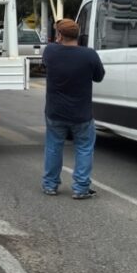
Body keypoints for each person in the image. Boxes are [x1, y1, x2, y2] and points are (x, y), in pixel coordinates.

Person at [41, 18, 105, 199]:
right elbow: (99, 77)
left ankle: (50, 185)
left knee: (53, 147)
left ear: (60, 36)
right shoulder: (89, 55)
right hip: (81, 113)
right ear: (78, 35)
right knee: (84, 148)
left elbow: (46, 63)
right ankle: (81, 188)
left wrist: (58, 39)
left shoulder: (51, 51)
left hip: (55, 112)